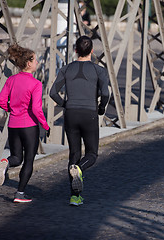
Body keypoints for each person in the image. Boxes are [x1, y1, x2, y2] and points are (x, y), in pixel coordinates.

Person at [50, 35, 109, 206]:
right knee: (91, 154)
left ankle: (75, 197)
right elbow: (105, 94)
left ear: (76, 51)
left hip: (71, 114)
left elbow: (53, 92)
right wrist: (101, 108)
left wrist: (65, 104)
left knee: (74, 154)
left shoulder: (66, 69)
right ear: (92, 51)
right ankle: (80, 169)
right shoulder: (99, 71)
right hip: (89, 113)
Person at [0, 44, 50, 203]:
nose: (37, 62)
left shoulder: (11, 80)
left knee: (16, 157)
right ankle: (19, 194)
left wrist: (11, 109)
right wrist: (45, 126)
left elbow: (1, 100)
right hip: (29, 126)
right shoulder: (36, 84)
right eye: (35, 60)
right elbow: (36, 109)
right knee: (29, 160)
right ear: (28, 63)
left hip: (13, 124)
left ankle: (5, 162)